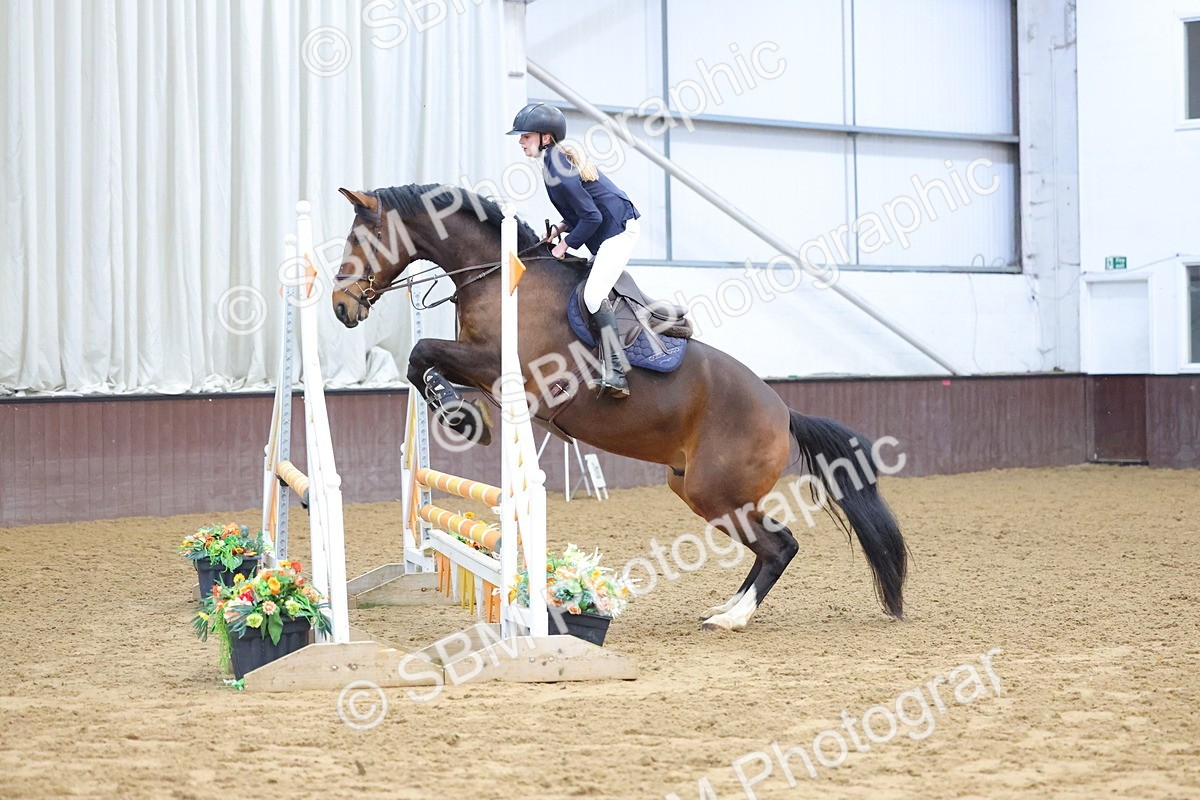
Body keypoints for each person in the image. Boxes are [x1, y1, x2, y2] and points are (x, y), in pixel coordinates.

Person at [508, 102, 640, 399]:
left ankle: (617, 373)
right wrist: (559, 229)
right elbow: (580, 211)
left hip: (619, 234)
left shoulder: (557, 164)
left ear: (545, 137)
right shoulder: (552, 162)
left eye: (525, 136)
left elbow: (592, 216)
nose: (520, 142)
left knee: (593, 296)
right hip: (605, 232)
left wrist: (565, 245)